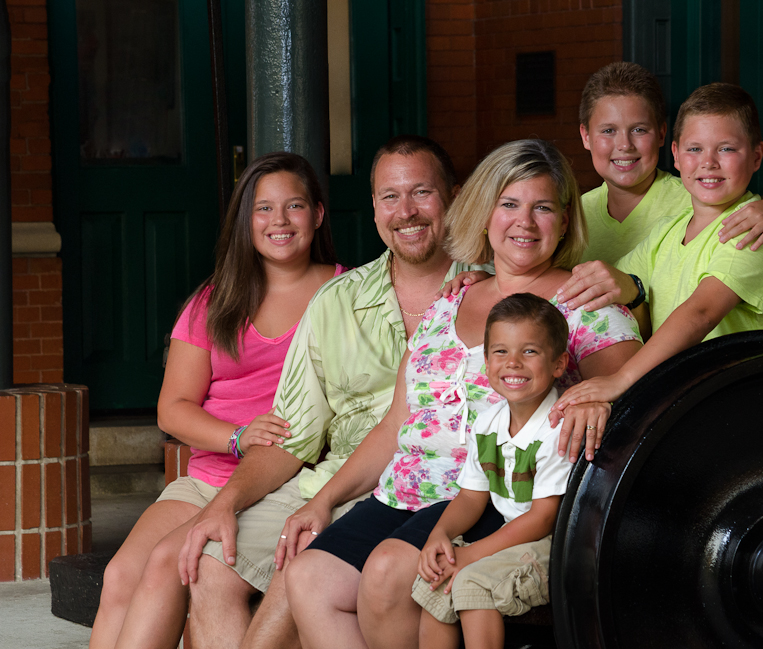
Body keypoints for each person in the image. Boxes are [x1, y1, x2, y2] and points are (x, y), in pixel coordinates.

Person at [278, 139, 642, 649]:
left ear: (565, 221)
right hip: (406, 490)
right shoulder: (450, 302)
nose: (525, 222)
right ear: (484, 212)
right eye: (509, 205)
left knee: (386, 575)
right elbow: (395, 427)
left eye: (543, 207)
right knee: (309, 577)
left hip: (491, 494)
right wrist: (327, 499)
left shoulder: (587, 307)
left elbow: (629, 425)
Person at [175, 136, 483, 649]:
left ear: (455, 196)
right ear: (374, 207)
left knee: (293, 589)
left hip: (430, 492)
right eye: (390, 197)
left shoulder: (491, 294)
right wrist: (225, 502)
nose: (406, 211)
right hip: (334, 481)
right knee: (210, 562)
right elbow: (293, 434)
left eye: (422, 193)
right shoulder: (336, 301)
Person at [89, 152, 344, 649]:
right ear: (245, 220)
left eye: (294, 206)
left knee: (169, 563)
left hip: (285, 482)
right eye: (263, 209)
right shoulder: (216, 299)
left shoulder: (345, 292)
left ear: (317, 214)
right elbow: (173, 408)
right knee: (120, 574)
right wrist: (236, 437)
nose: (279, 221)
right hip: (209, 476)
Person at [554, 82, 763, 416]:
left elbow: (700, 313)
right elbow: (618, 286)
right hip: (689, 403)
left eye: (726, 149)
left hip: (749, 405)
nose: (709, 163)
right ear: (675, 154)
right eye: (695, 149)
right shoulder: (668, 232)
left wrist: (620, 379)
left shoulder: (753, 229)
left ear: (757, 156)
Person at [558, 61, 763, 315]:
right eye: (608, 131)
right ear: (586, 136)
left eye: (639, 130)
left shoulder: (701, 198)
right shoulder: (573, 214)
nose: (624, 145)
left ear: (663, 134)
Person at [412, 293, 573, 649]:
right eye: (501, 352)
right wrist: (440, 534)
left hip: (556, 546)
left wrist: (471, 553)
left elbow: (544, 518)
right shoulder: (488, 423)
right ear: (486, 363)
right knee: (435, 581)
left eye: (529, 351)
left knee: (471, 582)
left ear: (559, 363)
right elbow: (472, 496)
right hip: (514, 538)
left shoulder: (559, 427)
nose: (512, 363)